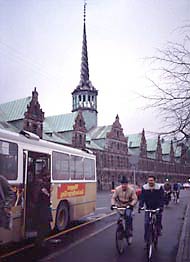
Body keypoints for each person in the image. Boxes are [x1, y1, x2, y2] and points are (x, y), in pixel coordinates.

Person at [111, 176, 137, 244]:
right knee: (118, 218)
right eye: (122, 184)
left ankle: (129, 233)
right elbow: (113, 198)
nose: (124, 185)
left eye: (125, 184)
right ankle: (120, 230)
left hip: (128, 206)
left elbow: (135, 199)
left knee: (128, 217)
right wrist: (113, 204)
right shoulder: (117, 189)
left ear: (127, 184)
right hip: (120, 206)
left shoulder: (131, 190)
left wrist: (131, 205)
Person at [138, 175, 164, 245]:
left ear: (154, 181)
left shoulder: (159, 187)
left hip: (157, 206)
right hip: (148, 207)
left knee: (159, 216)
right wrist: (140, 206)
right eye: (149, 180)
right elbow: (142, 198)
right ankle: (146, 239)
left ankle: (158, 229)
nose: (150, 182)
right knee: (146, 223)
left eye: (152, 180)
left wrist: (161, 206)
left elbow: (162, 198)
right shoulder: (144, 187)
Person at [33, 172, 52, 247]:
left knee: (41, 226)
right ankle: (40, 241)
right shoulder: (45, 186)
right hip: (43, 209)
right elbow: (47, 196)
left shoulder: (39, 185)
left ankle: (39, 240)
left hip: (40, 208)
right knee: (43, 226)